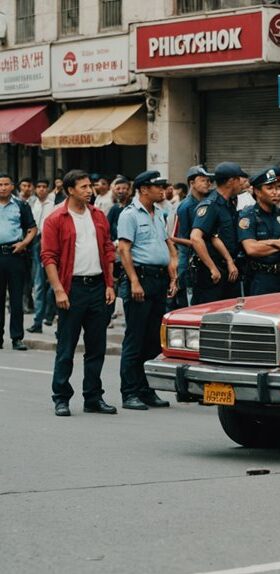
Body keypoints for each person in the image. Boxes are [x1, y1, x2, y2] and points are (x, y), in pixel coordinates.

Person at [42, 170, 117, 416]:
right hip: (71, 288)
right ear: (70, 190)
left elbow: (107, 249)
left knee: (96, 347)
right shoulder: (56, 218)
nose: (89, 190)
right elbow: (48, 257)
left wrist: (109, 284)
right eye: (84, 187)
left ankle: (93, 397)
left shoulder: (98, 215)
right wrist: (59, 290)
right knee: (67, 346)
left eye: (90, 186)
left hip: (97, 286)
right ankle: (61, 397)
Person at [116, 171, 177, 411]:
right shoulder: (129, 215)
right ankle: (129, 391)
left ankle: (146, 389)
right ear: (143, 189)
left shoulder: (159, 213)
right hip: (140, 278)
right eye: (157, 185)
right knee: (135, 338)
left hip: (159, 279)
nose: (162, 189)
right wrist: (133, 281)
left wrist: (173, 275)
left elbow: (167, 245)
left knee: (153, 339)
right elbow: (124, 250)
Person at [190, 162, 247, 304]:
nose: (242, 183)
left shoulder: (229, 203)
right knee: (207, 316)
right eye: (239, 179)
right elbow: (196, 238)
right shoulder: (211, 205)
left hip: (229, 269)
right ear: (230, 181)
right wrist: (212, 267)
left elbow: (216, 236)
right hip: (212, 273)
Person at [239, 168, 280, 296]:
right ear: (257, 191)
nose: (276, 192)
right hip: (260, 278)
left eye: (277, 188)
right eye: (270, 188)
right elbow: (252, 249)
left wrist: (267, 243)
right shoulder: (248, 216)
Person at [0, 173, 37, 351]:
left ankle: (17, 338)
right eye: (0, 185)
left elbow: (32, 228)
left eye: (6, 184)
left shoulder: (21, 206)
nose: (3, 188)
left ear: (12, 186)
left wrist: (23, 243)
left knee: (16, 300)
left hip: (15, 255)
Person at [169, 166, 213, 310]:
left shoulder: (208, 202)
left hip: (205, 258)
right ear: (192, 183)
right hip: (188, 260)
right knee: (188, 303)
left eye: (208, 180)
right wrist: (198, 242)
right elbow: (174, 237)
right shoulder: (185, 206)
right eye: (202, 180)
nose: (207, 183)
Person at [26, 179, 57, 334]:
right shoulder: (33, 204)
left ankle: (50, 315)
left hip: (52, 242)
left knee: (53, 283)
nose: (41, 190)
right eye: (38, 187)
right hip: (36, 242)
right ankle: (37, 321)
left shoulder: (54, 204)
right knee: (38, 285)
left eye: (44, 187)